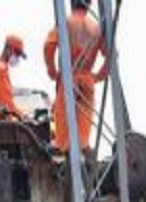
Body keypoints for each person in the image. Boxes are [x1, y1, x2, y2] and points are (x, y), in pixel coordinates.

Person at [44, 0, 108, 152]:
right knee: (83, 131)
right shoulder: (96, 27)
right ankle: (82, 153)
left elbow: (49, 46)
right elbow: (111, 56)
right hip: (87, 82)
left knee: (64, 132)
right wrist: (97, 77)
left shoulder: (65, 22)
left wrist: (52, 71)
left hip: (68, 78)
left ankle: (66, 156)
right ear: (89, 4)